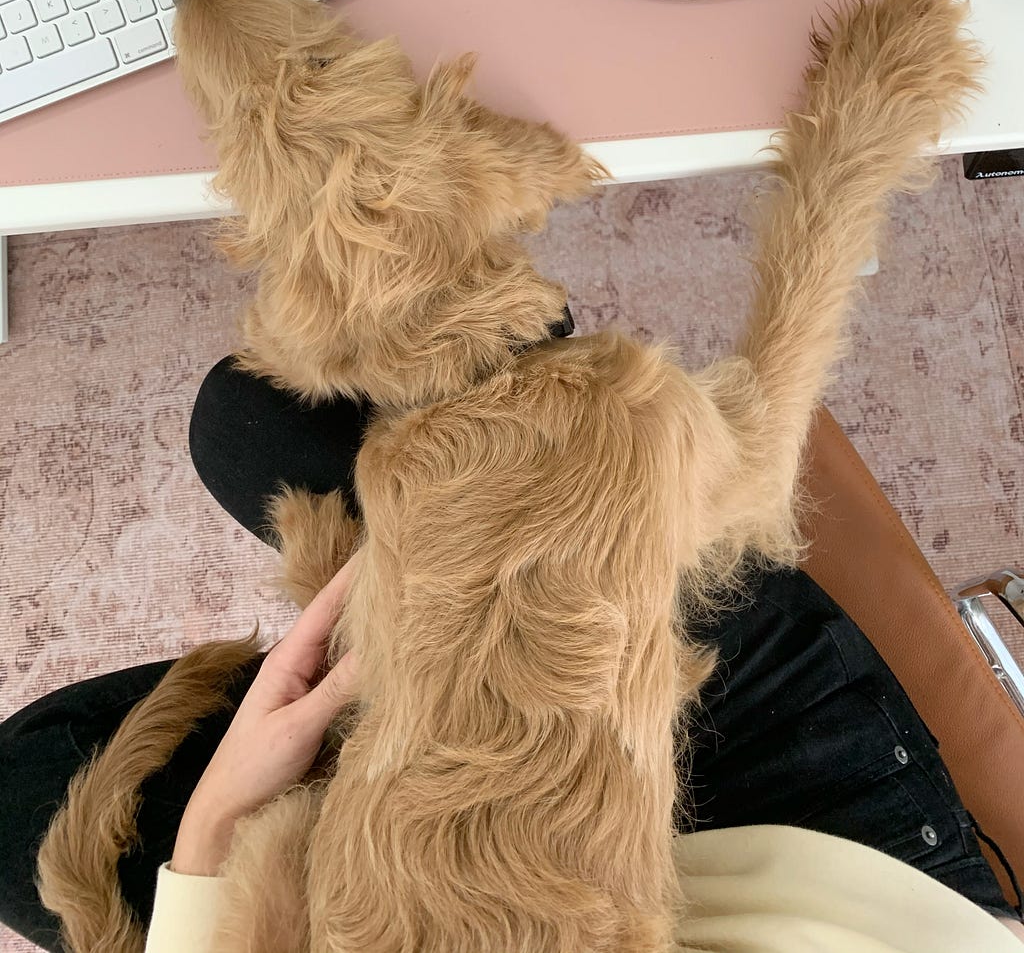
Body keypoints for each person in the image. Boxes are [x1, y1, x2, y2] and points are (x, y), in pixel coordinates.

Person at [0, 357, 1021, 952]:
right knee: (313, 425)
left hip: (527, 883)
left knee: (23, 811)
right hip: (811, 857)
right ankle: (535, 379)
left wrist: (219, 820)